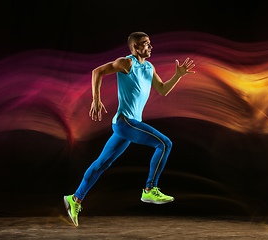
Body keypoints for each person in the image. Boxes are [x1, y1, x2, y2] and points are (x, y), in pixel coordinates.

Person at [64, 32, 195, 227]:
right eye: (145, 44)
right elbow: (97, 72)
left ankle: (75, 199)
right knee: (164, 143)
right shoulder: (127, 63)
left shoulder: (149, 67)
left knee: (101, 164)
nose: (150, 47)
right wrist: (96, 99)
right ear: (134, 48)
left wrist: (177, 75)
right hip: (126, 122)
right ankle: (150, 189)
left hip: (127, 126)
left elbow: (163, 90)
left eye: (150, 43)